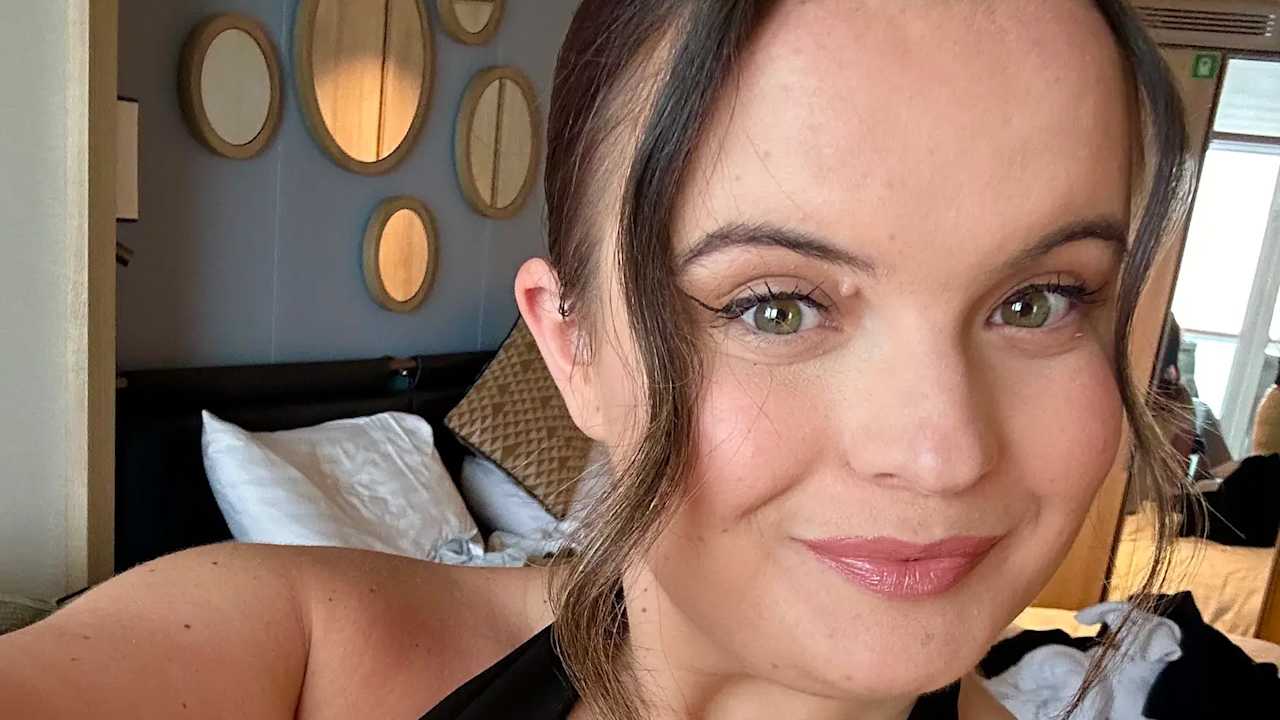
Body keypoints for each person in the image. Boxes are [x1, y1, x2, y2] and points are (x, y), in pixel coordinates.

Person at [0, 1, 1190, 718]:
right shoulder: (293, 660)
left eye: (1036, 301)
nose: (939, 454)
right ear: (571, 349)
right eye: (776, 308)